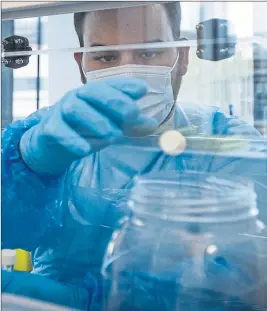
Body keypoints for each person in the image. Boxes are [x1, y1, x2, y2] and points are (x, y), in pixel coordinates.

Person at [2, 2, 266, 310]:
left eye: (150, 52)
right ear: (81, 63)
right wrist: (29, 166)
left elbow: (240, 281)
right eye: (105, 56)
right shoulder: (52, 131)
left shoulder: (228, 143)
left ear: (181, 57)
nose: (129, 71)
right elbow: (9, 232)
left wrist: (86, 303)